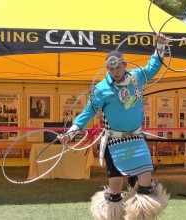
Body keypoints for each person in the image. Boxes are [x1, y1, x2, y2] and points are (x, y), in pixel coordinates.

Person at [57, 33, 169, 220]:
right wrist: (69, 134)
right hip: (114, 142)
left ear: (125, 65)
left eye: (118, 67)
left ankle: (140, 216)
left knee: (145, 182)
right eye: (111, 68)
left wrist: (160, 45)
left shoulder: (137, 77)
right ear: (107, 69)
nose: (115, 71)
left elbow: (154, 65)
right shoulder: (101, 89)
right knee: (115, 187)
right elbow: (87, 113)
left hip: (136, 138)